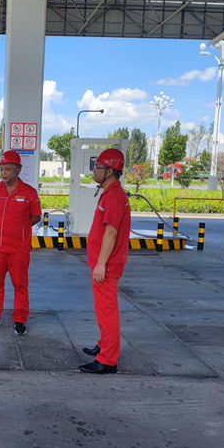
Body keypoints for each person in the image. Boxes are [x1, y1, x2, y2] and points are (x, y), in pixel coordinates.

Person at [80, 148, 131, 374]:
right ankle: (104, 345)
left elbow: (111, 232)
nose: (94, 171)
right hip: (102, 263)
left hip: (107, 266)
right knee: (103, 311)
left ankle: (108, 360)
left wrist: (101, 264)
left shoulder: (114, 197)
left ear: (110, 171)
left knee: (107, 311)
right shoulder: (110, 193)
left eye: (97, 167)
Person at [0, 150, 42, 335]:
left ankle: (20, 319)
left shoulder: (29, 192)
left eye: (7, 169)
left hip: (18, 249)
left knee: (20, 285)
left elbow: (36, 216)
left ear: (17, 170)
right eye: (2, 169)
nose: (3, 173)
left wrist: (19, 228)